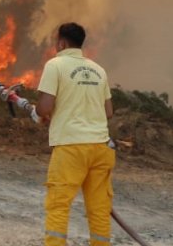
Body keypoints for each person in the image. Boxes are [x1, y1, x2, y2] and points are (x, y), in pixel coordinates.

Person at [37, 22, 114, 246]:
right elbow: (108, 112)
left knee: (59, 205)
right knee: (99, 208)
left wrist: (39, 111)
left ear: (61, 42)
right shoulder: (99, 70)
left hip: (71, 148)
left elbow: (44, 108)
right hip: (101, 148)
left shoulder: (55, 65)